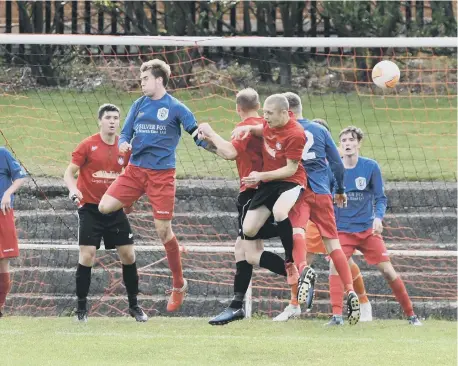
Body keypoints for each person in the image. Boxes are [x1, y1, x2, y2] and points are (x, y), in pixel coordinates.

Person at [98, 59, 209, 312]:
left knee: (163, 232)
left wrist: (211, 143)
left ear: (159, 80)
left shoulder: (177, 108)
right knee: (105, 207)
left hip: (162, 175)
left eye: (145, 79)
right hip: (136, 171)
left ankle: (179, 284)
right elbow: (125, 134)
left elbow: (196, 135)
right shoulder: (139, 104)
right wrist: (124, 144)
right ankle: (131, 200)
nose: (142, 83)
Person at [198, 88, 300, 325]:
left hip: (253, 192)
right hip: (266, 189)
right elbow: (233, 154)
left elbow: (231, 151)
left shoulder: (250, 126)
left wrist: (211, 133)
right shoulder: (264, 124)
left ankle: (298, 274)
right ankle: (236, 305)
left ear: (237, 107)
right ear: (258, 105)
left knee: (251, 253)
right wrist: (209, 144)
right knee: (240, 250)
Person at [276, 93, 360, 325]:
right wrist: (340, 189)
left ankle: (304, 269)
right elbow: (336, 162)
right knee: (334, 245)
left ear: (287, 111)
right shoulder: (321, 130)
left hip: (299, 190)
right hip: (323, 192)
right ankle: (350, 290)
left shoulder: (285, 131)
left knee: (296, 232)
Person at [327, 126, 422, 326]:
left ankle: (411, 315)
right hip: (343, 230)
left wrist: (378, 217)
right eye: (343, 141)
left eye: (351, 140)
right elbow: (325, 197)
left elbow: (380, 198)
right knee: (334, 265)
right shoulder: (333, 169)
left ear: (359, 143)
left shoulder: (370, 167)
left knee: (388, 271)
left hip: (367, 230)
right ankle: (336, 317)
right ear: (339, 145)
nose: (347, 144)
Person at [63, 103, 147, 322]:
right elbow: (69, 173)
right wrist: (74, 191)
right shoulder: (87, 145)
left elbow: (134, 177)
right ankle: (81, 310)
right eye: (108, 117)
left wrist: (131, 199)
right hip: (90, 208)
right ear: (99, 121)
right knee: (87, 255)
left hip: (115, 208)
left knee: (128, 255)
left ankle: (134, 306)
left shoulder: (125, 148)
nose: (112, 121)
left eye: (115, 117)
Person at [231, 94, 314, 310]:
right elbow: (262, 131)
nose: (264, 117)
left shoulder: (296, 134)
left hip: (290, 181)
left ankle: (289, 262)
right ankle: (292, 231)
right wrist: (247, 130)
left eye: (269, 113)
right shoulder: (268, 124)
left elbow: (291, 169)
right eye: (264, 112)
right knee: (248, 229)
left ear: (284, 113)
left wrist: (260, 176)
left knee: (279, 211)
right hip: (269, 181)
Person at [0, 148, 27, 318]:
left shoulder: (3, 153)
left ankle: (0, 306)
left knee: (2, 261)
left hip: (2, 212)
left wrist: (7, 193)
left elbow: (20, 177)